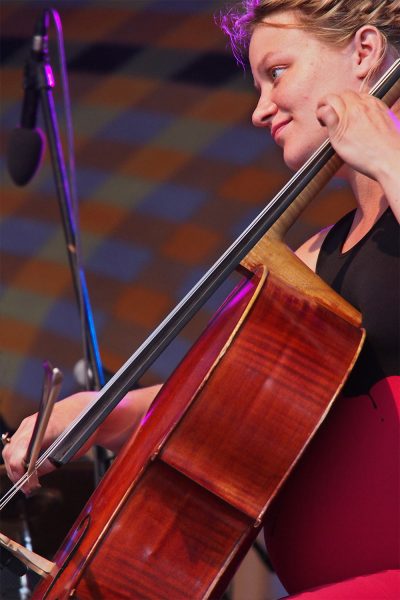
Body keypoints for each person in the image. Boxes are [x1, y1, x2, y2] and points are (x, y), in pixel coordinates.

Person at [3, 0, 400, 597]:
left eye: (277, 71)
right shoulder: (317, 255)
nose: (260, 108)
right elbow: (233, 398)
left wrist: (386, 156)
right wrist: (99, 415)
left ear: (365, 53)